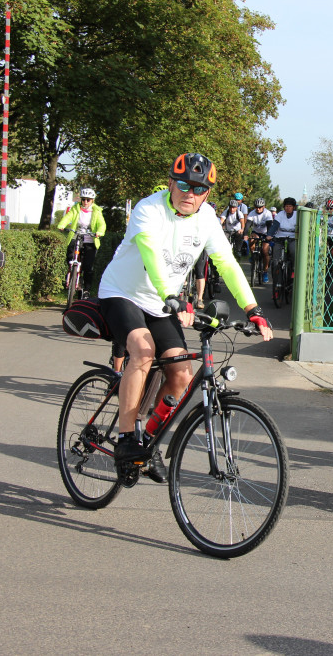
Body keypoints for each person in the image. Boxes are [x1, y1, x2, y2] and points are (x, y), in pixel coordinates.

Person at [97, 153, 272, 481]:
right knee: (143, 350)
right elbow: (149, 253)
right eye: (182, 184)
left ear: (207, 193)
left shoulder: (207, 218)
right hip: (123, 293)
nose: (188, 193)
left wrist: (253, 309)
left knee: (180, 374)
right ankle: (125, 441)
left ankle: (147, 441)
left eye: (198, 188)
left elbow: (227, 262)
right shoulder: (149, 209)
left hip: (163, 302)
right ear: (170, 183)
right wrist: (171, 296)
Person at [56, 187, 106, 299]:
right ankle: (72, 273)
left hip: (90, 239)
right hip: (76, 236)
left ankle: (87, 289)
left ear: (92, 200)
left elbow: (102, 224)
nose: (85, 202)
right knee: (70, 255)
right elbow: (67, 217)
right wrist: (62, 225)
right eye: (83, 199)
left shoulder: (97, 211)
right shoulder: (75, 209)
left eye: (88, 200)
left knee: (88, 267)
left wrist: (99, 232)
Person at [267, 197, 297, 286]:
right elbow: (275, 226)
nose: (288, 208)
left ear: (293, 207)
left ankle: (294, 270)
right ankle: (277, 280)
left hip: (292, 238)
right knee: (276, 259)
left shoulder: (297, 215)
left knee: (293, 251)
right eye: (286, 206)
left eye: (290, 206)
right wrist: (269, 235)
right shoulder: (280, 214)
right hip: (280, 238)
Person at [246, 197, 273, 283]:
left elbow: (269, 226)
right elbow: (247, 226)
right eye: (256, 207)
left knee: (265, 251)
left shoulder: (268, 214)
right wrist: (245, 235)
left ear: (264, 207)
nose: (258, 209)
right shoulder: (252, 213)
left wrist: (269, 236)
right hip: (256, 232)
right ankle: (253, 254)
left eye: (260, 207)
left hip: (266, 233)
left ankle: (265, 272)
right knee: (252, 239)